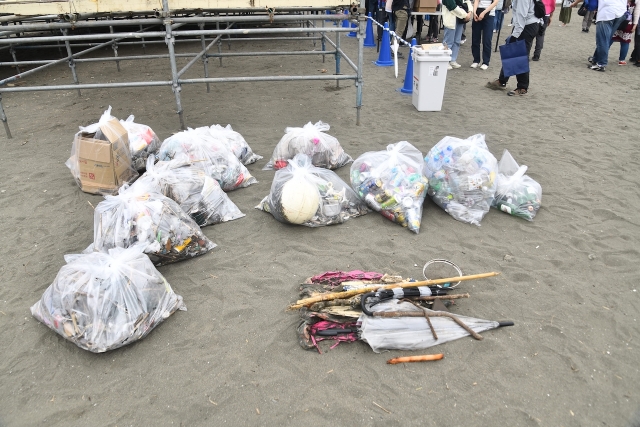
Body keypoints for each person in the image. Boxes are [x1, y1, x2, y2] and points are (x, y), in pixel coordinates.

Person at [485, 0, 541, 95]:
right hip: (528, 24)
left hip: (526, 26)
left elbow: (522, 16)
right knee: (512, 52)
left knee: (521, 56)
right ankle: (502, 80)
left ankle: (522, 87)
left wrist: (515, 35)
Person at [588, 0, 628, 71]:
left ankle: (601, 64)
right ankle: (596, 58)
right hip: (621, 11)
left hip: (607, 12)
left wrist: (576, 3)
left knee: (602, 40)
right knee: (606, 38)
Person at [442, 0, 473, 69]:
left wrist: (470, 11)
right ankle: (445, 60)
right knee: (448, 42)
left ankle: (453, 59)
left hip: (460, 19)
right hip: (451, 17)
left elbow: (467, 1)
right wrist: (465, 15)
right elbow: (452, 6)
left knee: (457, 41)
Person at [470, 0, 500, 68]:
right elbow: (476, 1)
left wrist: (484, 12)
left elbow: (495, 2)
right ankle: (476, 60)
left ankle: (486, 61)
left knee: (487, 39)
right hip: (478, 11)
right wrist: (474, 12)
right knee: (475, 38)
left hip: (489, 15)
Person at [610, 0, 639, 64]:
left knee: (610, 38)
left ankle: (601, 55)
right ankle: (622, 60)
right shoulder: (637, 1)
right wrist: (634, 25)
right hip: (628, 23)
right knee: (625, 41)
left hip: (618, 19)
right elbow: (636, 13)